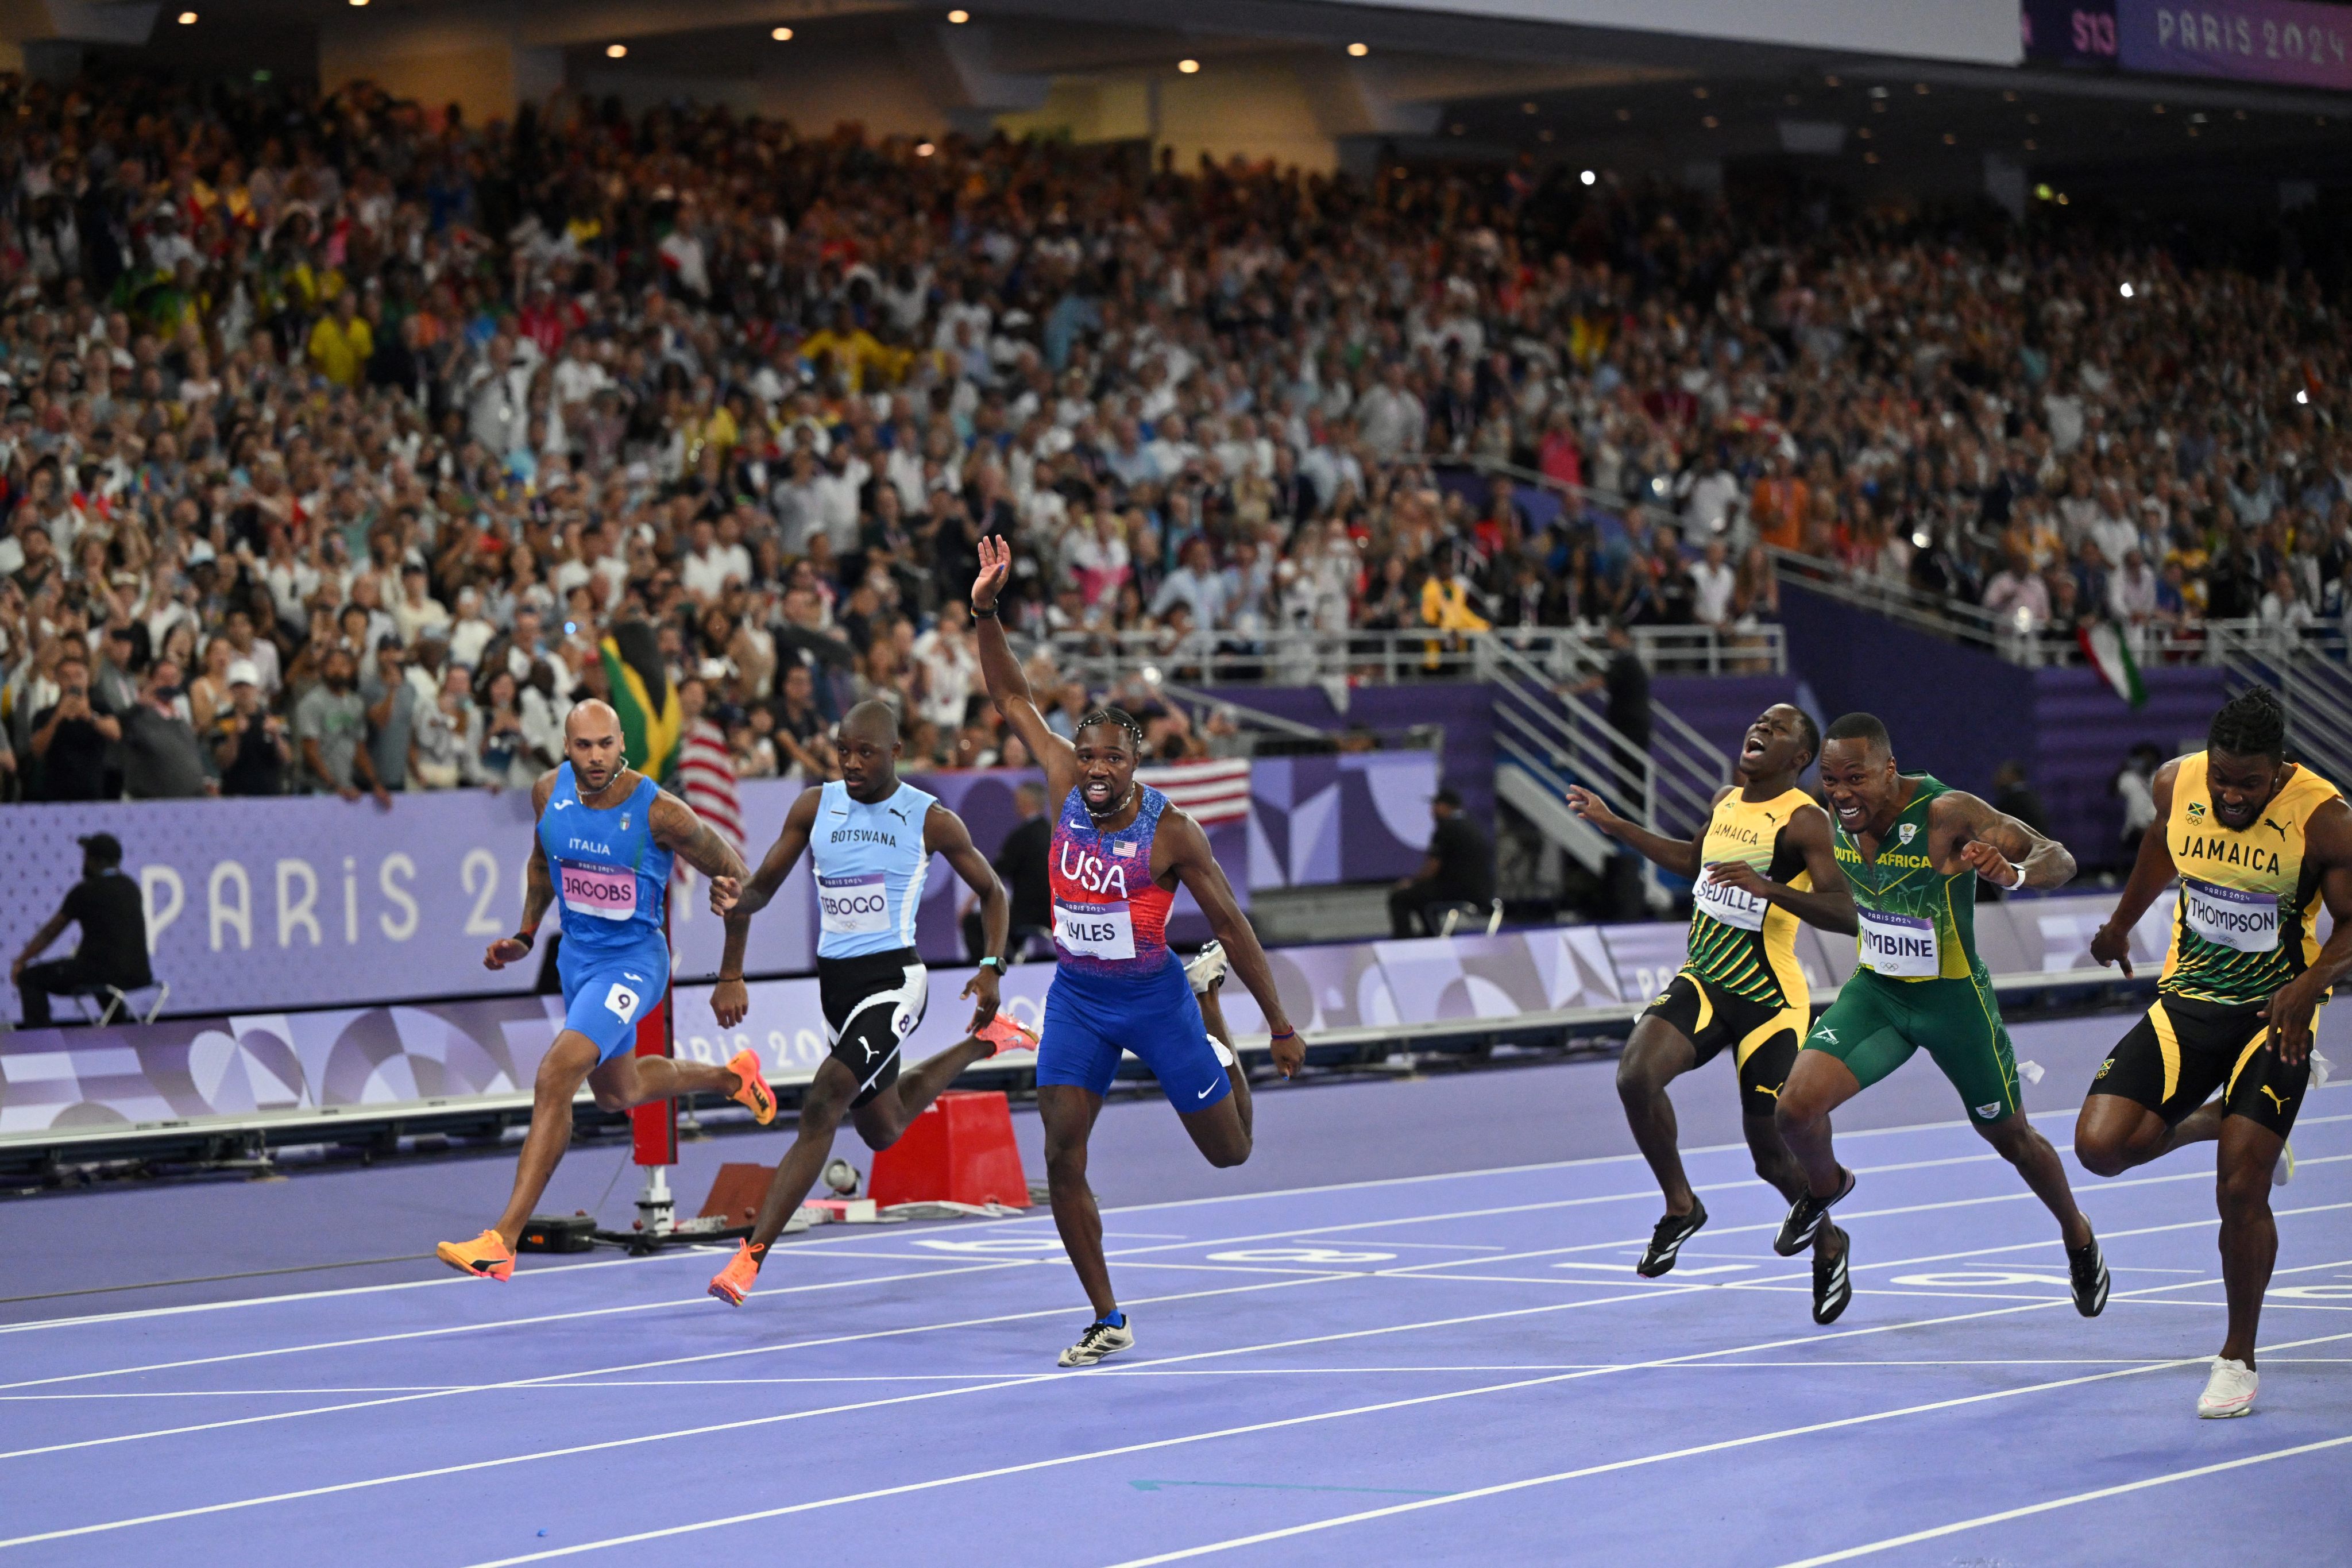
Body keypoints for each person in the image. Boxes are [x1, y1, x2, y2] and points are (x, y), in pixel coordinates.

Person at [971, 534, 1305, 1366]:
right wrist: (984, 611)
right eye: (1085, 755)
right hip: (1079, 997)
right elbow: (1012, 697)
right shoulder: (1061, 783)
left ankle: (1210, 1014)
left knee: (1230, 1152)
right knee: (1058, 1149)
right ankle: (1105, 1312)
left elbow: (1232, 925)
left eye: (1109, 759)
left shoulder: (1172, 833)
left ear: (1135, 762)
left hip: (1156, 998)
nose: (1092, 769)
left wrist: (1278, 1023)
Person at [1772, 711, 2111, 1322]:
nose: (1842, 793)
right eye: (1830, 779)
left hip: (1953, 1004)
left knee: (2013, 1141)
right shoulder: (1831, 823)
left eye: (1856, 778)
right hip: (1877, 994)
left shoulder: (1944, 814)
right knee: (1794, 1109)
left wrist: (2018, 872)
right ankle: (1827, 1189)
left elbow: (2056, 857)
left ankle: (2077, 1234)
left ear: (1889, 770)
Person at [2076, 689, 2350, 1418]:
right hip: (2187, 1004)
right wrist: (2119, 926)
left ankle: (2237, 1357)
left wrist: (2315, 980)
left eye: (2249, 784)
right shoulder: (2177, 782)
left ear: (2280, 771)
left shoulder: (2324, 820)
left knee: (2239, 1190)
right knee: (2101, 1148)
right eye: (2223, 778)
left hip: (2275, 1016)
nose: (2231, 795)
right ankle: (2217, 1118)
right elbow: (2159, 848)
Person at [434, 700, 777, 1281]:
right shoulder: (549, 792)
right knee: (619, 1092)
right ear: (566, 748)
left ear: (623, 743)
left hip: (634, 964)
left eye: (605, 745)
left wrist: (731, 974)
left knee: (555, 1073)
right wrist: (524, 933)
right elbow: (543, 864)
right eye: (582, 746)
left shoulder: (662, 814)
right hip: (578, 963)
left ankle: (503, 1240)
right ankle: (732, 1077)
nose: (595, 757)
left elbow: (741, 880)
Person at [702, 698, 1021, 1307]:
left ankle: (751, 1256)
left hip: (897, 981)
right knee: (883, 1128)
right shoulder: (814, 806)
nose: (850, 762)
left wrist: (990, 967)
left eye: (865, 752)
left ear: (896, 753)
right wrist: (733, 915)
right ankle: (986, 1043)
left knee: (824, 1099)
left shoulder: (929, 819)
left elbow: (993, 892)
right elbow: (761, 889)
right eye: (843, 749)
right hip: (837, 988)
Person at [1568, 704, 1861, 1321]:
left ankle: (1829, 1242)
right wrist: (1615, 824)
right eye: (1759, 721)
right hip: (1704, 979)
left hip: (1769, 1000)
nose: (1760, 728)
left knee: (1770, 1156)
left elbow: (1846, 911)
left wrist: (1771, 890)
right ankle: (1681, 1207)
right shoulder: (1726, 800)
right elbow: (1689, 859)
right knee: (1634, 1077)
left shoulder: (1806, 822)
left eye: (1778, 729)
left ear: (1798, 758)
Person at [12, 833, 152, 1026]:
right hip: (139, 975)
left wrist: (21, 961)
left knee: (29, 978)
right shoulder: (131, 888)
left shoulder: (86, 891)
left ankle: (40, 1042)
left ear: (93, 861)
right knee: (106, 973)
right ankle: (120, 1031)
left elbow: (50, 933)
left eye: (85, 858)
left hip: (102, 973)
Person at [1387, 787, 1496, 937]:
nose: (1432, 811)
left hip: (1458, 890)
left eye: (1435, 806)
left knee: (1400, 897)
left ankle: (1404, 941)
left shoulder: (1446, 828)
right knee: (1422, 895)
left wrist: (1412, 882)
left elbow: (1433, 867)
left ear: (1445, 807)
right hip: (1483, 892)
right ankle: (1432, 933)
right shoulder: (1473, 825)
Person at [965, 779, 1053, 962]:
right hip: (1054, 912)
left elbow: (993, 877)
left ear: (1025, 802)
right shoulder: (1053, 833)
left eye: (1018, 801)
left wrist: (967, 906)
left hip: (1027, 914)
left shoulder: (1021, 835)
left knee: (973, 923)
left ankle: (987, 970)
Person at [27, 647, 118, 801]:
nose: (73, 682)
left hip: (94, 796)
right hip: (55, 798)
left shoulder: (100, 709)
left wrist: (89, 716)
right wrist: (58, 717)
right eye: (66, 677)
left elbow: (115, 733)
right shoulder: (45, 715)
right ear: (57, 679)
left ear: (87, 679)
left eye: (78, 676)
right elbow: (36, 751)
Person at [213, 660, 290, 796]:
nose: (243, 691)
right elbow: (223, 763)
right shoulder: (222, 721)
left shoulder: (275, 718)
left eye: (247, 685)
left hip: (271, 795)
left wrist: (276, 736)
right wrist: (235, 734)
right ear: (231, 690)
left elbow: (287, 759)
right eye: (238, 686)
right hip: (236, 795)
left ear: (256, 688)